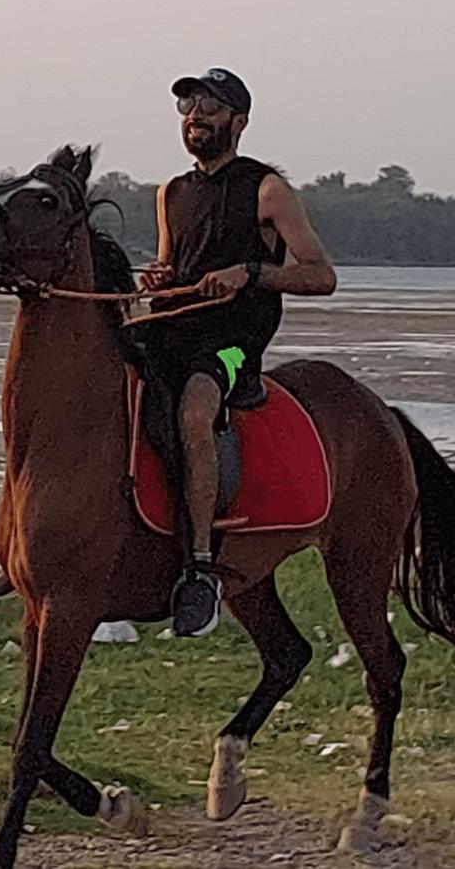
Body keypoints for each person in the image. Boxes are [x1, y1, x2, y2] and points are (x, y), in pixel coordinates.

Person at [132, 67, 338, 637]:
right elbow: (172, 265)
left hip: (230, 346)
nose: (195, 116)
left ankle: (199, 568)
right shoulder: (170, 193)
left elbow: (321, 277)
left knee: (196, 409)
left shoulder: (267, 189)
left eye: (210, 107)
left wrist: (249, 273)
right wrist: (159, 278)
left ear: (239, 122)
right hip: (170, 330)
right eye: (188, 107)